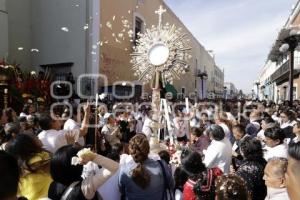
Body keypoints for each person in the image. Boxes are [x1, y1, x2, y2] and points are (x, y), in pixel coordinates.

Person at [48, 145, 119, 199]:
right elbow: (114, 167)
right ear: (77, 166)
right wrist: (93, 157)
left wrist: (69, 149)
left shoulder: (53, 186)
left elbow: (64, 162)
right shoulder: (85, 188)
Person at [119, 134, 174, 200]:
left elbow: (122, 190)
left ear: (131, 151)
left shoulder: (124, 170)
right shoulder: (162, 165)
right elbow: (171, 185)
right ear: (148, 149)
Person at [6, 134, 52, 200]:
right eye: (33, 136)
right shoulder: (41, 159)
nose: (37, 137)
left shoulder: (19, 169)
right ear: (29, 144)